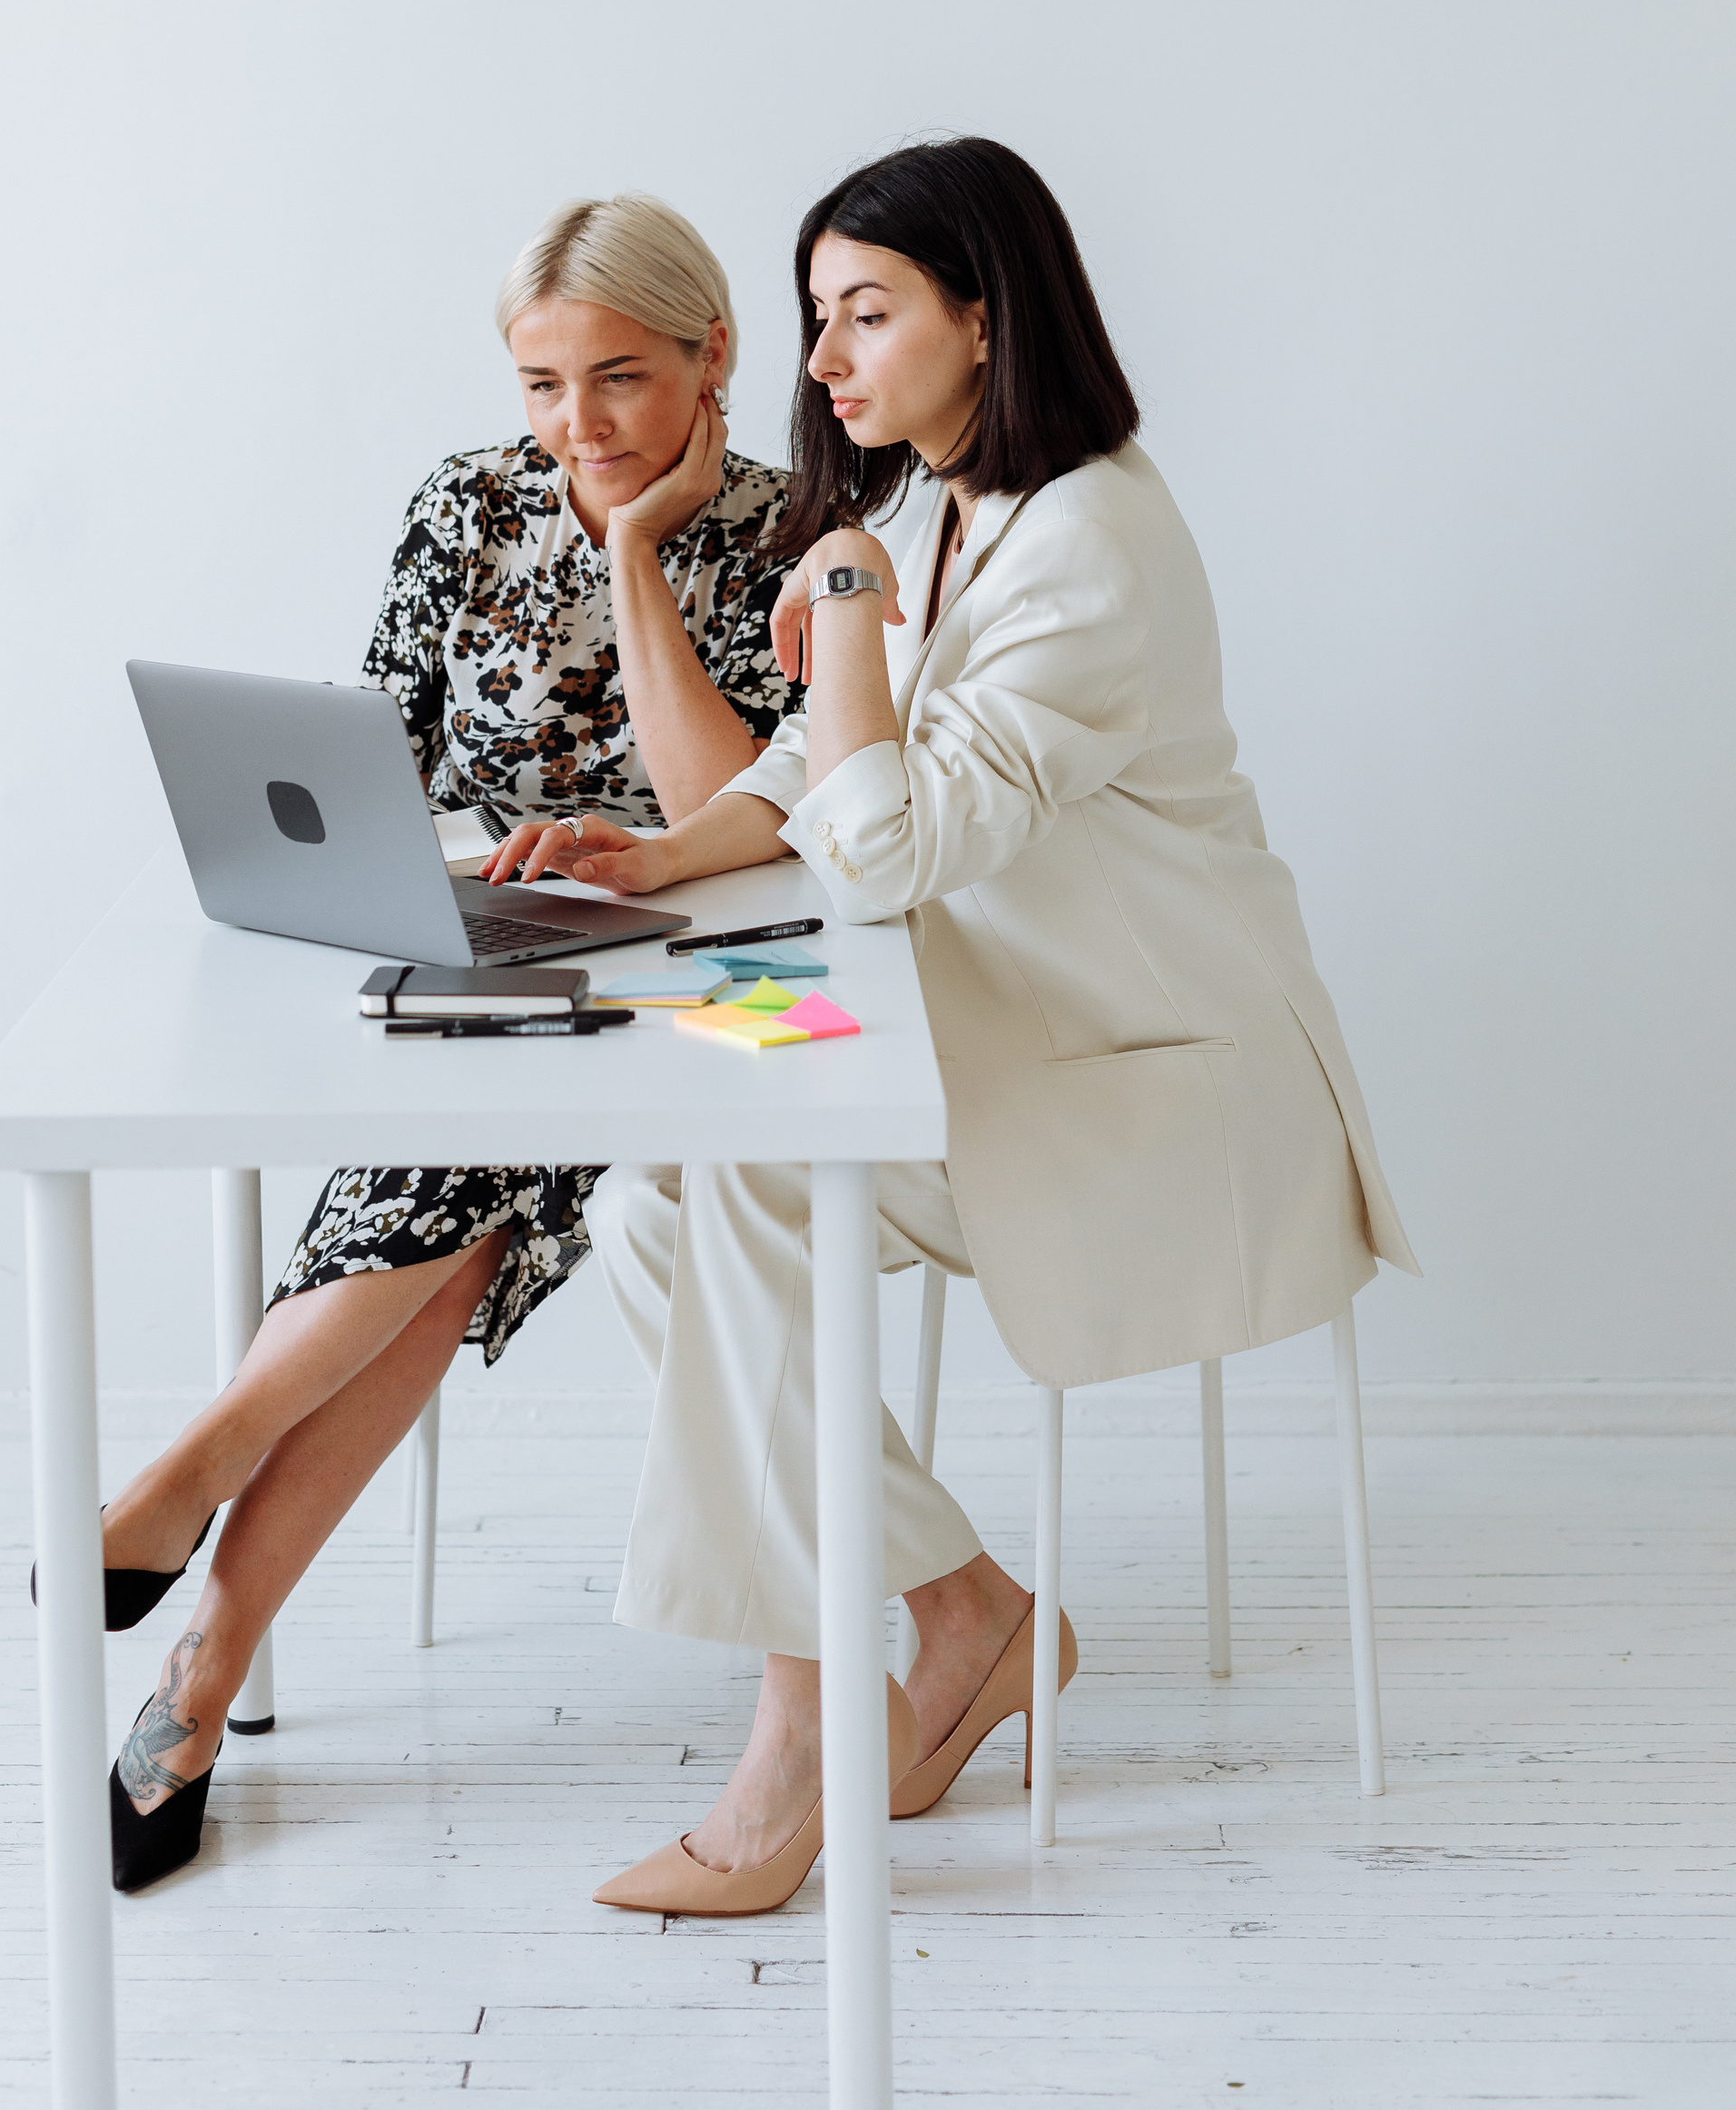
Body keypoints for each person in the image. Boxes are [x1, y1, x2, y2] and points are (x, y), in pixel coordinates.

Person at [483, 135, 1419, 1916]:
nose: (824, 359)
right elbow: (812, 765)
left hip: (1160, 1093)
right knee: (649, 1199)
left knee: (742, 1182)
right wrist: (658, 852)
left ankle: (798, 1728)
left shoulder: (1089, 547)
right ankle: (964, 1611)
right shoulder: (942, 502)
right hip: (1007, 1049)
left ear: (984, 318)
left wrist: (838, 599)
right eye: (817, 315)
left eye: (866, 313)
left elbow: (888, 846)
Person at [81, 193, 798, 1893]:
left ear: (713, 354)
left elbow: (743, 808)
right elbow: (380, 747)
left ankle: (198, 1536)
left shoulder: (794, 530)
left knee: (454, 1175)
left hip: (709, 972)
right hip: (499, 946)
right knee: (456, 1211)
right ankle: (198, 1635)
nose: (577, 425)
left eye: (619, 377)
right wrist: (410, 872)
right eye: (542, 384)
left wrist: (636, 552)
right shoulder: (461, 504)